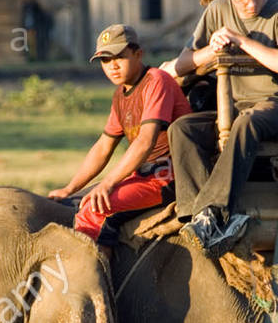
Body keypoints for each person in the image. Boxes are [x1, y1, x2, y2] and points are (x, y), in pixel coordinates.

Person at [168, 0, 278, 254]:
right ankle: (196, 218)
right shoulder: (216, 10)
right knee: (182, 129)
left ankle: (214, 212)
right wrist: (212, 49)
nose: (252, 4)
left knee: (245, 123)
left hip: (275, 103)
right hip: (231, 104)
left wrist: (242, 41)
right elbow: (182, 64)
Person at [48, 24, 190, 243]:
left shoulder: (156, 81)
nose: (112, 66)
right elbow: (103, 147)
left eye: (119, 57)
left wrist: (107, 183)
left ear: (138, 54)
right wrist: (70, 188)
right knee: (71, 203)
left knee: (95, 210)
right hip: (141, 176)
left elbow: (145, 142)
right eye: (105, 60)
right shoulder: (120, 95)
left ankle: (96, 276)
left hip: (167, 177)